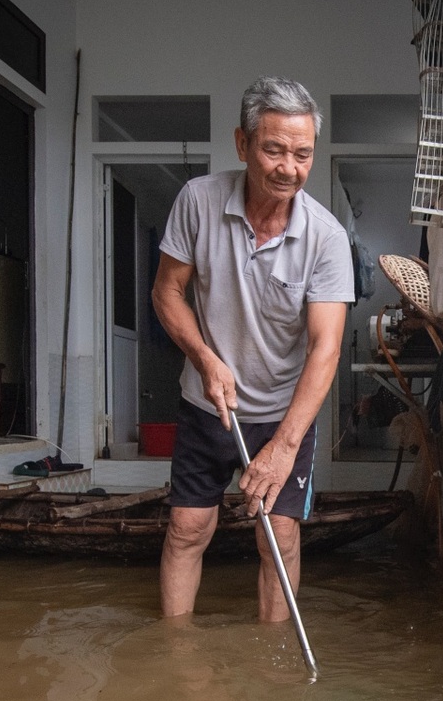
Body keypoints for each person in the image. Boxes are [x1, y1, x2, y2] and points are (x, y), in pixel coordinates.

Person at [150, 77, 354, 621]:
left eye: (303, 154)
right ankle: (174, 658)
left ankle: (273, 675)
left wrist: (285, 446)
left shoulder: (327, 239)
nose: (289, 167)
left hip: (285, 414)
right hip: (206, 403)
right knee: (187, 529)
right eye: (274, 149)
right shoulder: (198, 201)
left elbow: (326, 348)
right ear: (242, 145)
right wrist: (205, 358)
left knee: (278, 537)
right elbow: (166, 292)